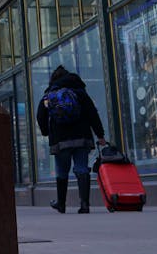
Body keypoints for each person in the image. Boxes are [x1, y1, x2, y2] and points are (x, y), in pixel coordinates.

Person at [36, 65, 107, 213]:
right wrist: (100, 135)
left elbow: (40, 114)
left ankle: (61, 204)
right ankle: (85, 204)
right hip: (81, 137)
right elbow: (92, 113)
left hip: (60, 140)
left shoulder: (50, 94)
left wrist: (45, 132)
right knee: (82, 168)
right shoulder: (80, 92)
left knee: (62, 171)